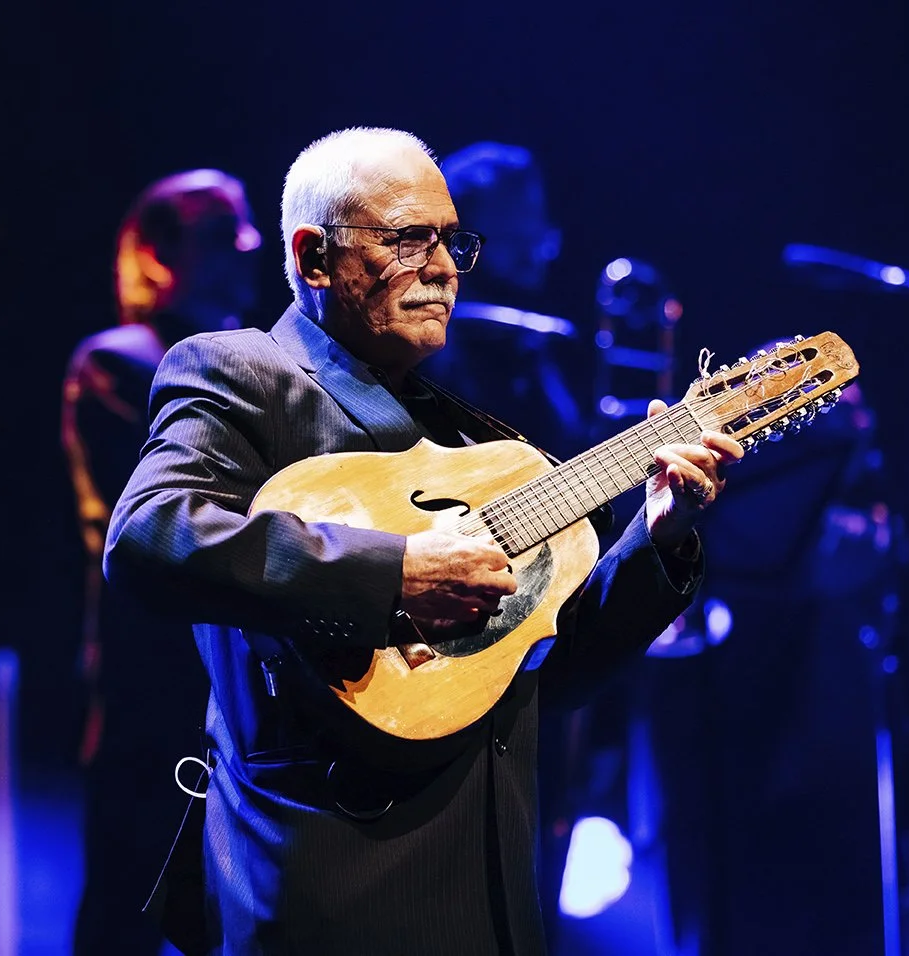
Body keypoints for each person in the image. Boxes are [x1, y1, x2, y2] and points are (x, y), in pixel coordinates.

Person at [103, 127, 741, 955]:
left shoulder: (474, 438)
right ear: (315, 256)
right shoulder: (240, 372)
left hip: (492, 891)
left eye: (452, 241)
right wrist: (396, 575)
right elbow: (151, 535)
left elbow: (557, 672)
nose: (443, 269)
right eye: (410, 239)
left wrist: (656, 539)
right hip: (329, 885)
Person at [61, 168, 261, 955]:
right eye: (219, 234)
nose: (244, 250)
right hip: (153, 678)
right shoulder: (119, 360)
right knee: (130, 906)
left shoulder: (254, 362)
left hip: (236, 681)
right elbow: (174, 511)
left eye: (246, 232)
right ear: (155, 253)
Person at [418, 141, 586, 458]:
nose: (538, 250)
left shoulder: (531, 346)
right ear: (461, 241)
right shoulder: (431, 350)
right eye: (515, 237)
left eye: (537, 228)